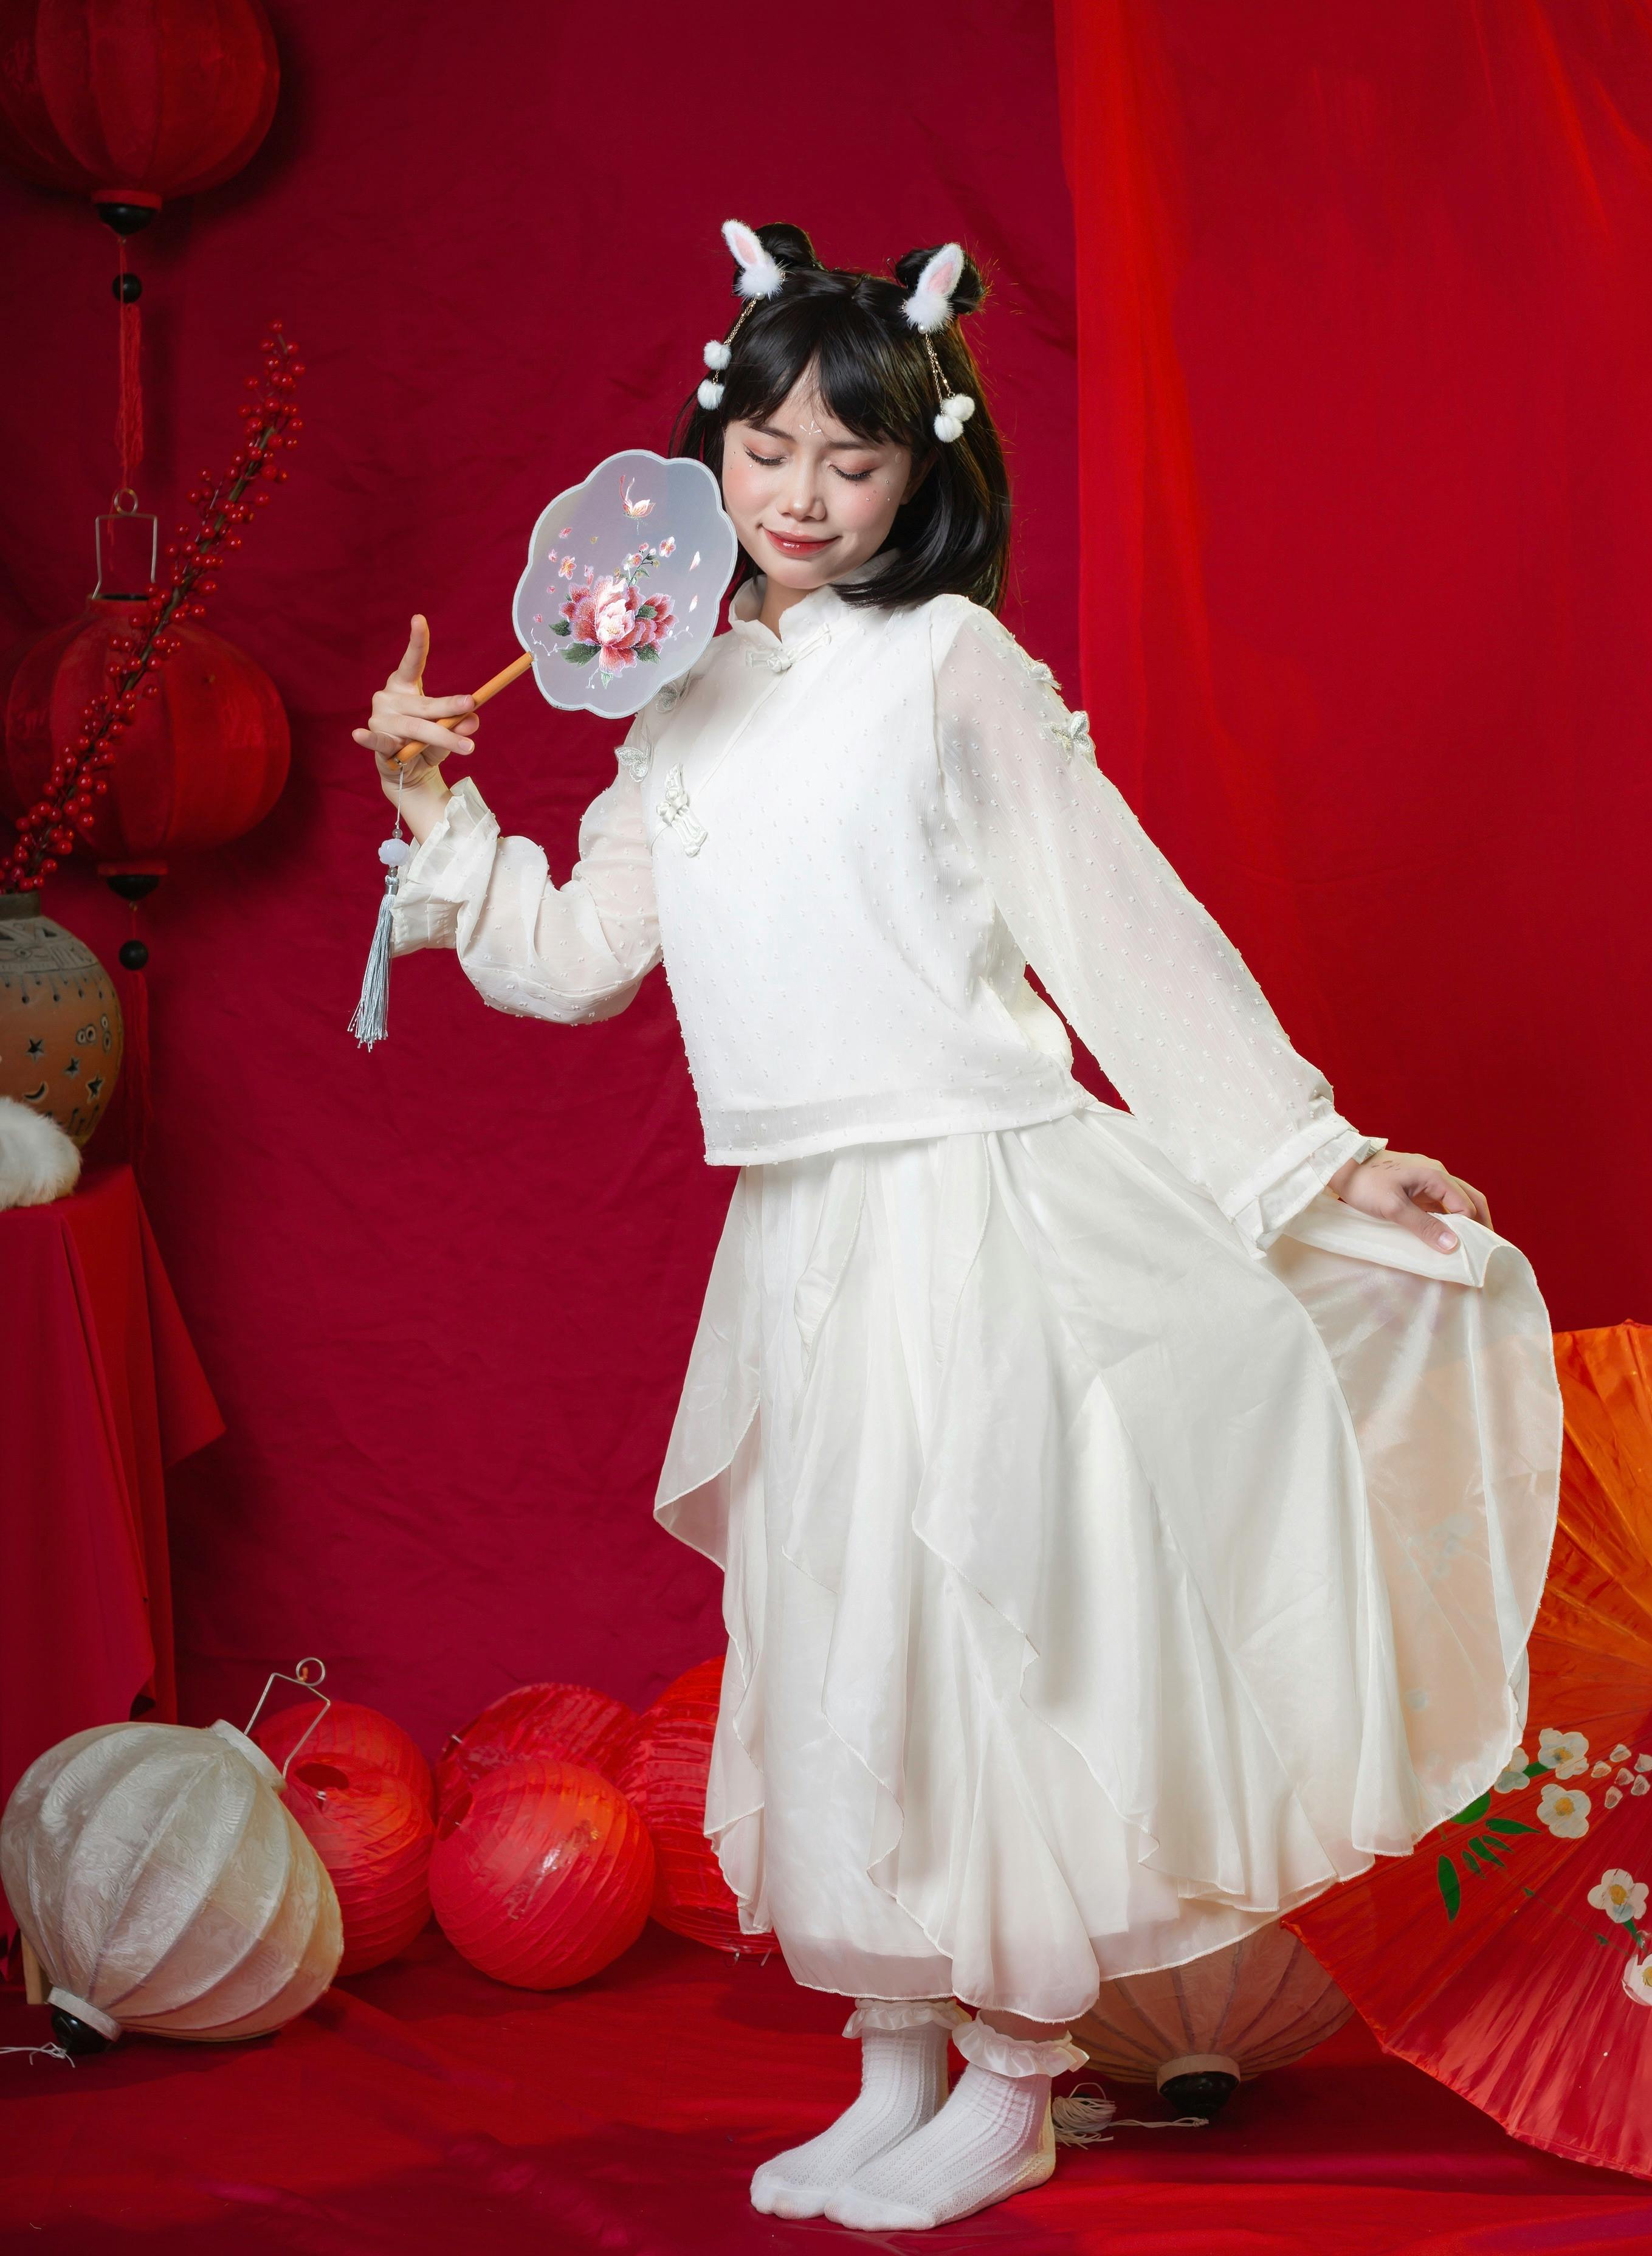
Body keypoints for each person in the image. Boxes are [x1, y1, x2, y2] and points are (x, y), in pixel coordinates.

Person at [353, 221, 1561, 2234]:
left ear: (922, 473)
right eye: (765, 449)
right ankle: (890, 2063)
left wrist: (1315, 1157)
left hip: (980, 1211)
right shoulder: (680, 700)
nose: (799, 496)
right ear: (710, 449)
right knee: (838, 1642)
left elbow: (1109, 913)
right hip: (803, 1241)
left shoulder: (946, 667)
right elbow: (568, 961)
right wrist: (437, 817)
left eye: (852, 459)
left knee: (980, 1634)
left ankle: (1011, 2081)